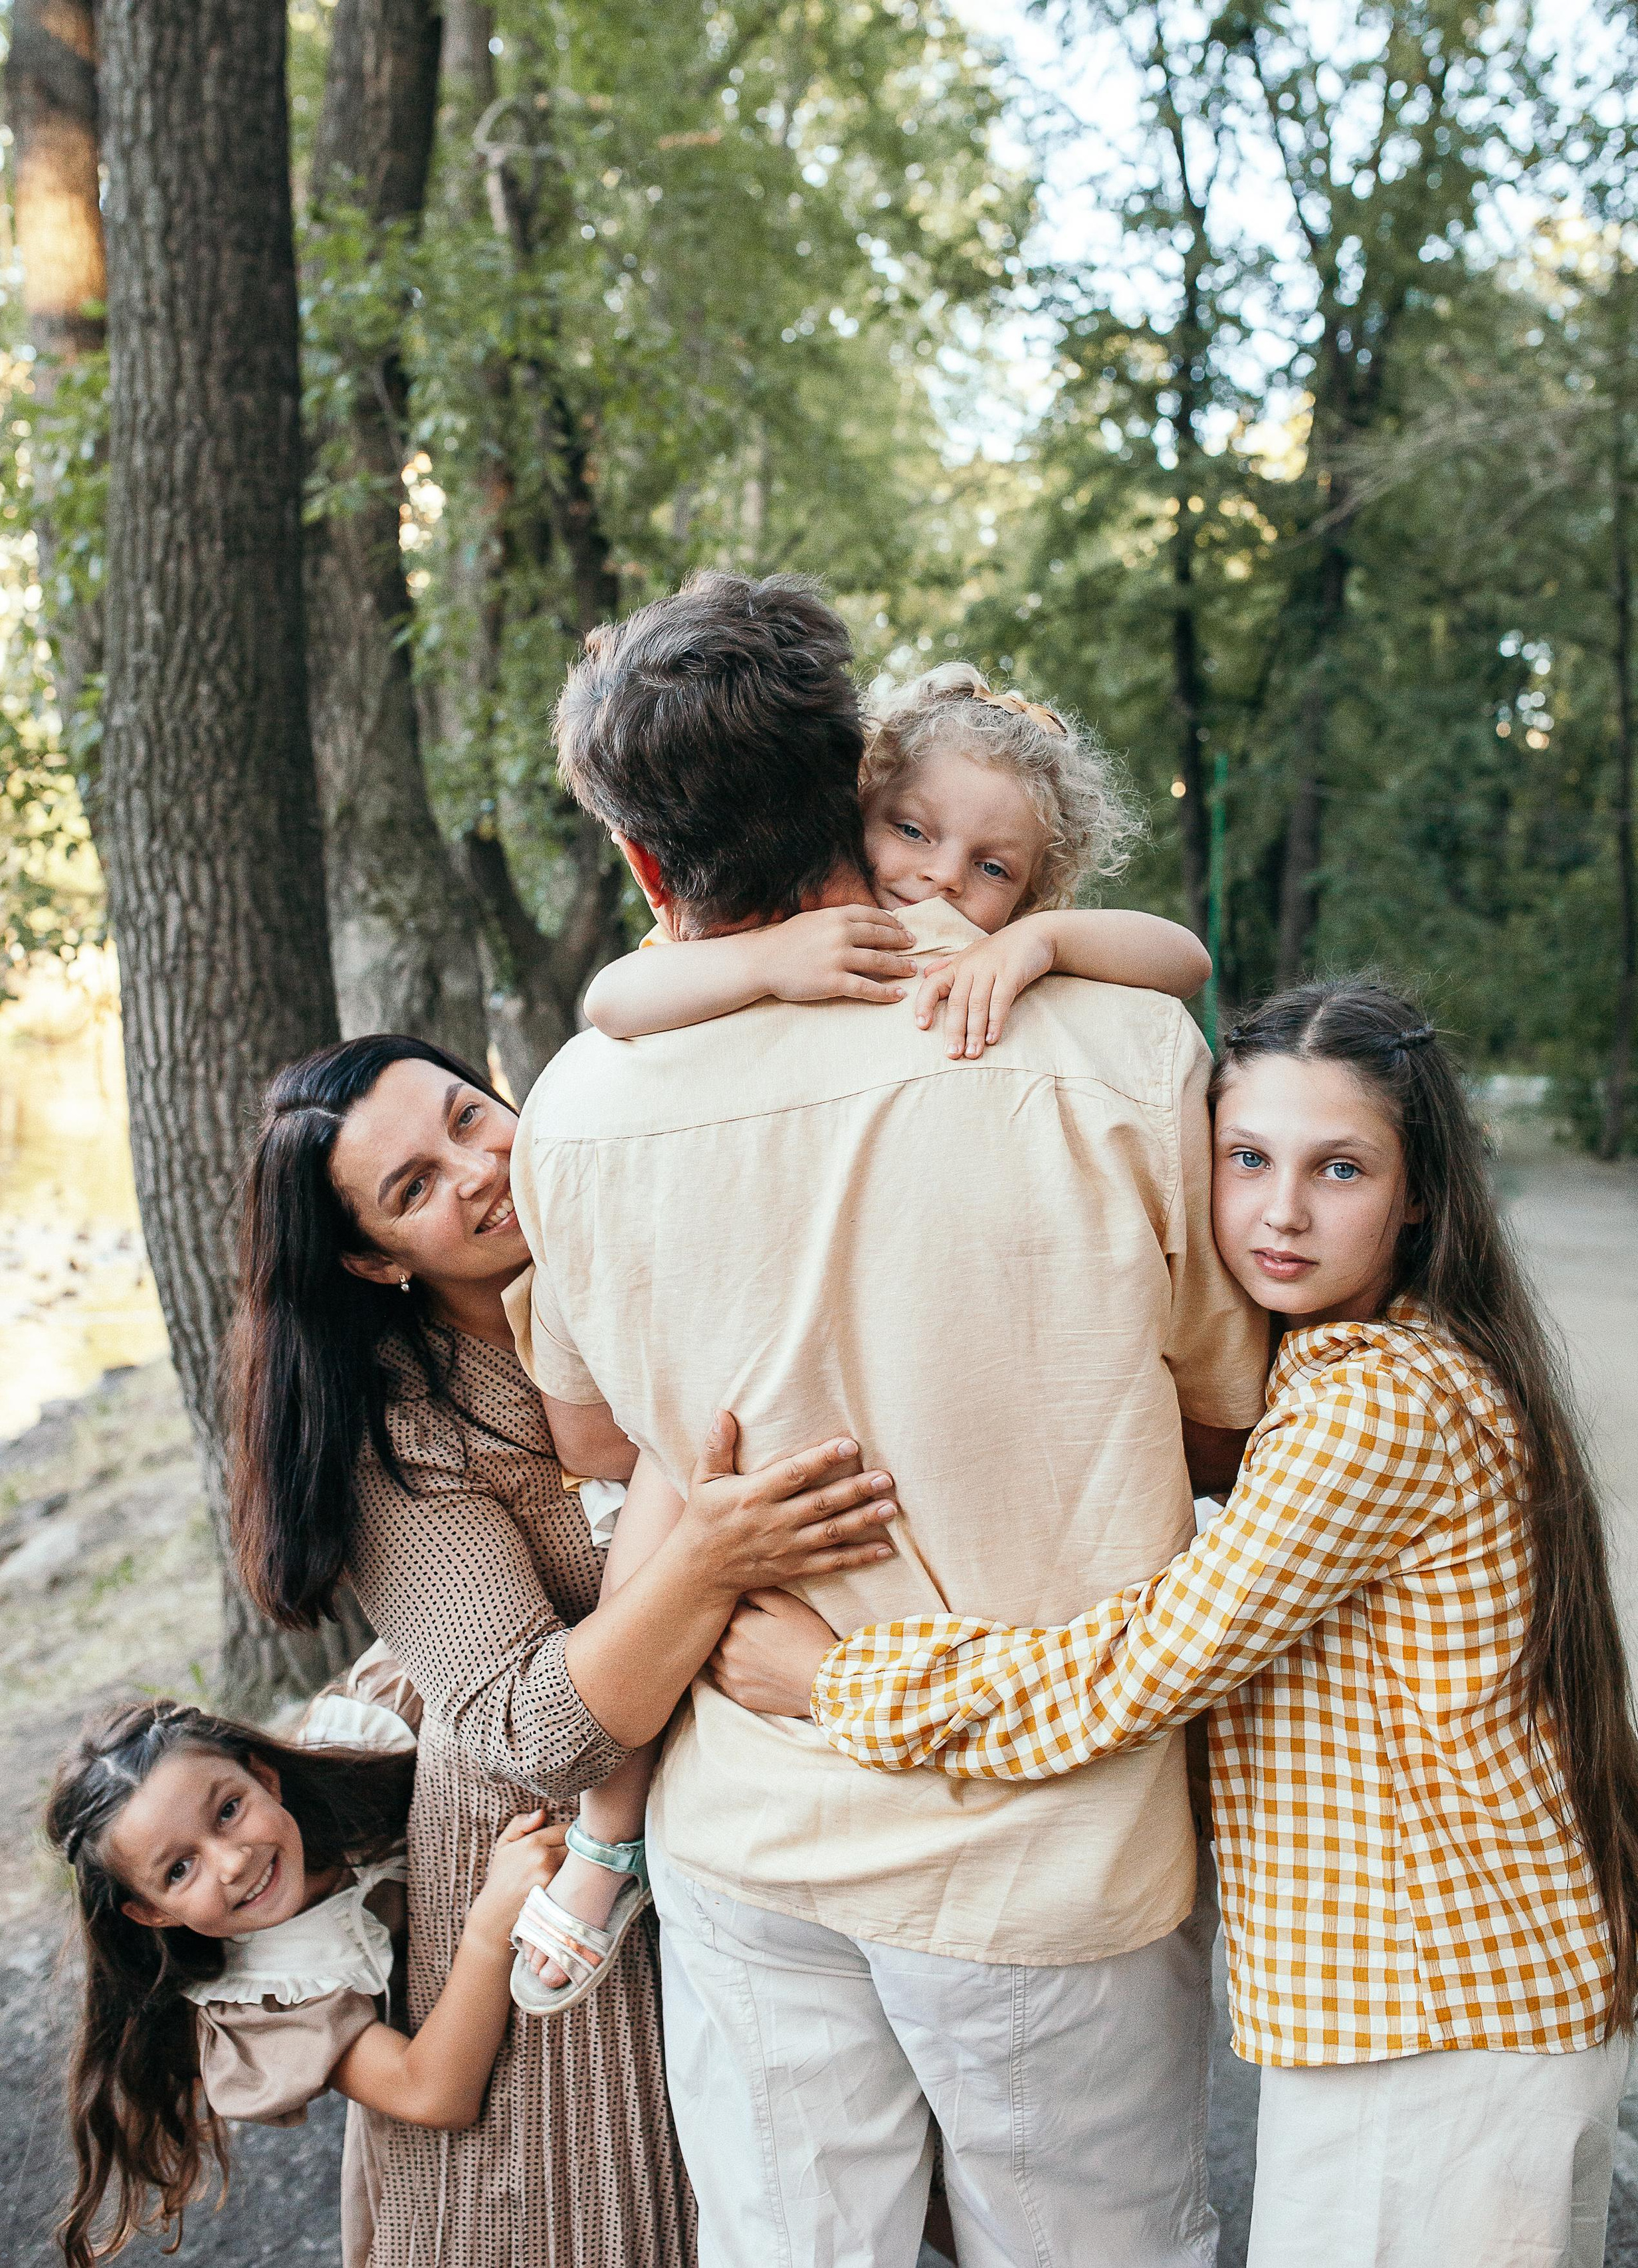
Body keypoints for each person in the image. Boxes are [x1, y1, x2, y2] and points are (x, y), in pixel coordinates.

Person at [508, 569, 1270, 2267]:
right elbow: (1232, 1416)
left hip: (748, 1837)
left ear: (644, 863)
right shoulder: (1117, 1045)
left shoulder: (573, 1104)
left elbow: (589, 1437)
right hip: (1044, 1852)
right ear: (854, 777)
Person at [718, 978, 1638, 2268]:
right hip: (1440, 2002)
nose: (1279, 1208)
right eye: (1246, 1156)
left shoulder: (1372, 1410)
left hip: (1440, 2016)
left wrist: (838, 1679)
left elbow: (1137, 1667)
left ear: (1418, 1190)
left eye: (1339, 1167)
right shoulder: (1378, 1365)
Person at [227, 1033, 899, 2268]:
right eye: (415, 1186)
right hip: (544, 1865)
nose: (480, 1169)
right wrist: (709, 1554)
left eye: (470, 1118)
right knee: (612, 2215)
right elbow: (534, 1724)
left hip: (779, 1795)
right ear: (377, 1259)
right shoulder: (402, 1421)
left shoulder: (653, 1232)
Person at [45, 1645, 566, 2268]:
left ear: (264, 1776)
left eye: (229, 1810)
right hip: (460, 2177)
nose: (233, 1860)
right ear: (152, 1911)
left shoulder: (361, 1739)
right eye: (181, 1869)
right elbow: (432, 2092)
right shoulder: (264, 1994)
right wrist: (486, 1927)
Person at [583, 660, 1211, 1056]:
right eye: (912, 830)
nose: (945, 875)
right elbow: (611, 1000)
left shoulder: (1000, 948)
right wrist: (766, 959)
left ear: (1029, 896)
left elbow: (1187, 962)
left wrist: (1045, 940)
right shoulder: (778, 927)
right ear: (861, 805)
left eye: (994, 868)